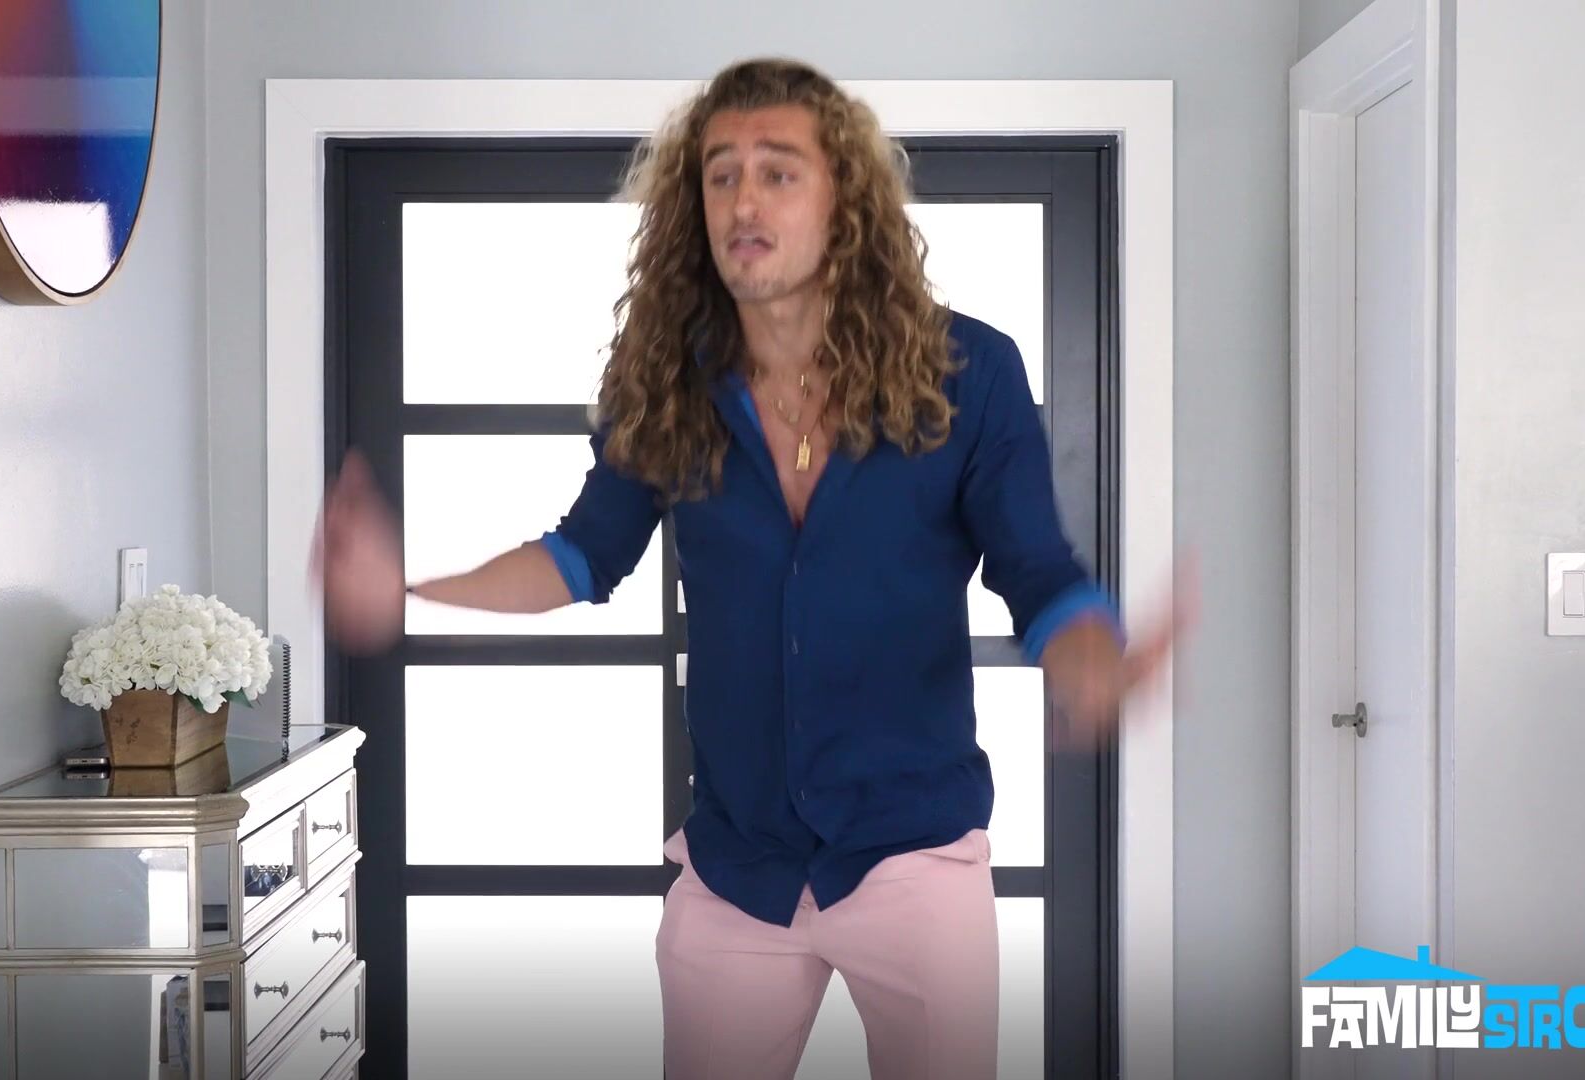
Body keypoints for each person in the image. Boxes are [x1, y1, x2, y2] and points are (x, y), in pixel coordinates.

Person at [312, 56, 1190, 1080]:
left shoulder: (971, 372)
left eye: (778, 171)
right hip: (738, 867)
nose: (743, 200)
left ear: (845, 200)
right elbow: (581, 556)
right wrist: (408, 591)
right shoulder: (665, 382)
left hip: (913, 854)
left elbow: (1038, 572)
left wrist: (1094, 662)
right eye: (721, 174)